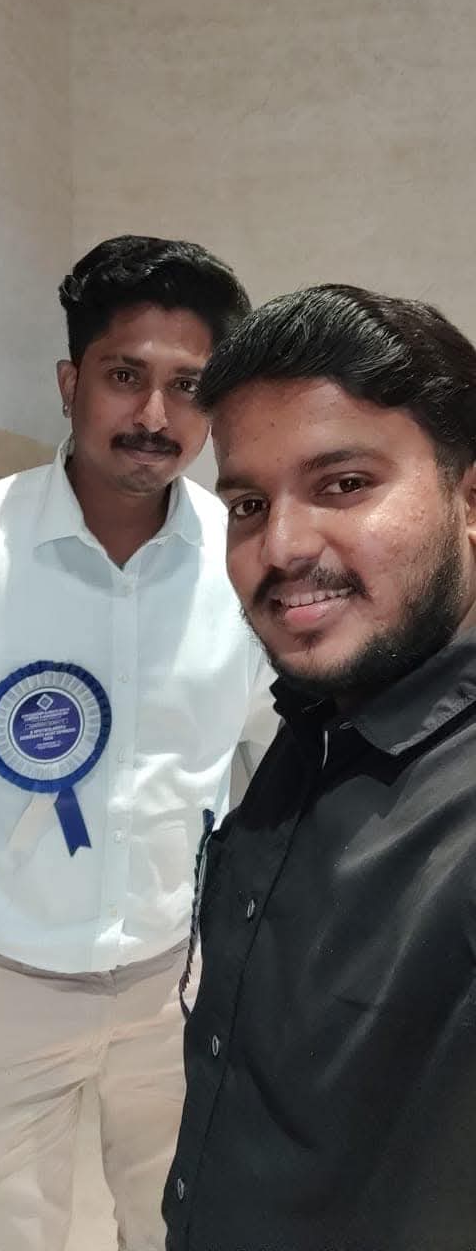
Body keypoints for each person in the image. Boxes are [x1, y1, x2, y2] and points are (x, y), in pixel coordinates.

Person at [0, 235, 276, 1251]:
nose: (154, 415)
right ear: (71, 383)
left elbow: (273, 765)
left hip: (174, 986)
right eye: (123, 376)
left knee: (181, 1227)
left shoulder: (241, 561)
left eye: (187, 386)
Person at [164, 283, 476, 1251]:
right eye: (248, 503)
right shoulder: (318, 719)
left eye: (343, 484)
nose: (282, 545)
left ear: (468, 499)